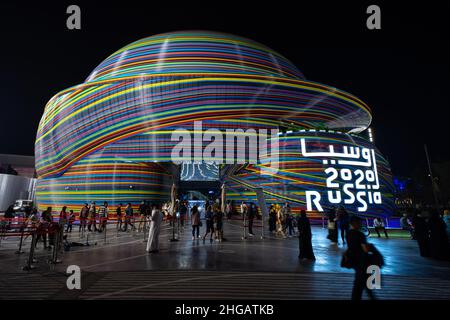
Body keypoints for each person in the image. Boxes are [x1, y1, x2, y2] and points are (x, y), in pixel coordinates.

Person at [346, 216, 376, 300]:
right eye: (359, 223)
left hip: (353, 259)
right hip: (362, 260)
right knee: (361, 281)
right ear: (355, 223)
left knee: (361, 280)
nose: (361, 225)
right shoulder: (360, 234)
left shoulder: (348, 233)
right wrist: (371, 247)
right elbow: (365, 249)